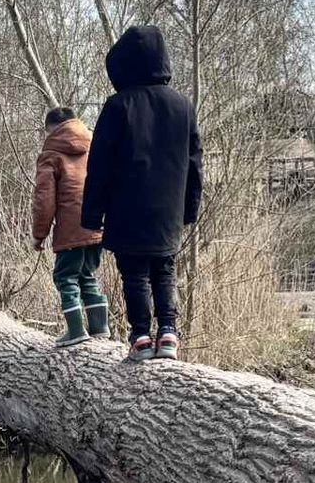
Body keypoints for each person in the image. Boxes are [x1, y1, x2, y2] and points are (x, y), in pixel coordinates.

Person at [80, 23, 202, 361]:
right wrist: (189, 208)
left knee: (134, 272)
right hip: (168, 209)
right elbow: (195, 164)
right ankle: (169, 334)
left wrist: (91, 215)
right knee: (164, 268)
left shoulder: (118, 105)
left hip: (127, 207)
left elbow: (99, 165)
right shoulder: (183, 106)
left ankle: (140, 337)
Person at [31, 104, 108, 347]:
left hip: (70, 228)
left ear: (50, 130)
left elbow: (44, 200)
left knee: (65, 277)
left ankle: (75, 331)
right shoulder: (95, 146)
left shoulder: (51, 154)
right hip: (98, 225)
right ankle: (99, 327)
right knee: (87, 273)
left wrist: (39, 235)